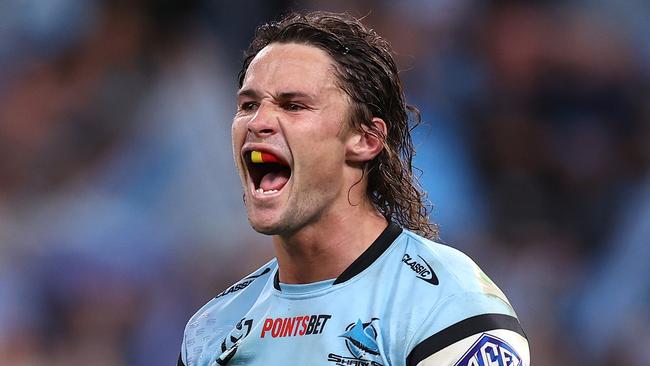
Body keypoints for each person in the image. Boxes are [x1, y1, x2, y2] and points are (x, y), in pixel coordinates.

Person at [179, 11, 529, 366]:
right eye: (248, 105)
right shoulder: (212, 329)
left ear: (366, 138)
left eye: (294, 105)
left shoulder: (448, 308)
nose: (258, 122)